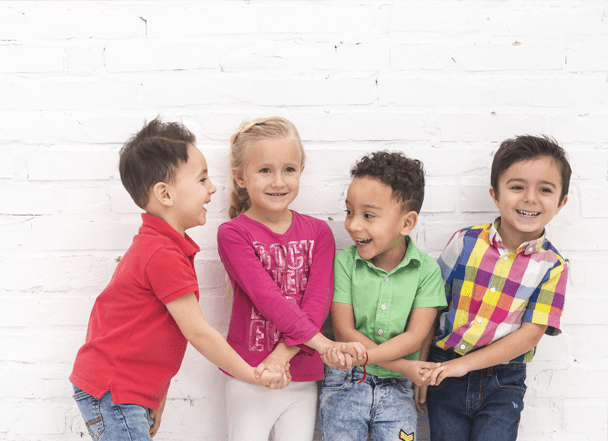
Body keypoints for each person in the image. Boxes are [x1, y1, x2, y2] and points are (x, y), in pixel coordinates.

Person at [70, 118, 283, 441]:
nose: (212, 188)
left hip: (122, 390)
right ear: (165, 194)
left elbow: (154, 333)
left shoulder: (161, 247)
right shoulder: (162, 254)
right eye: (202, 179)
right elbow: (198, 333)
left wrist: (157, 395)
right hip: (114, 390)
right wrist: (252, 375)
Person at [217, 117, 365, 441]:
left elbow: (317, 304)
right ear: (241, 177)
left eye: (289, 169)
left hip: (301, 378)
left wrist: (282, 355)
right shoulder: (233, 234)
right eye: (265, 170)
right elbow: (268, 299)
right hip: (250, 376)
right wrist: (323, 345)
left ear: (301, 170)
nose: (278, 182)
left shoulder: (319, 233)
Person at [420, 135, 571, 441]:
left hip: (503, 383)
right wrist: (421, 367)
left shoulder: (553, 266)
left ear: (561, 202)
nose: (530, 198)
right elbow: (430, 306)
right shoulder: (464, 241)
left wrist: (464, 365)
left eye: (545, 189)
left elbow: (529, 335)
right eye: (517, 187)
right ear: (495, 194)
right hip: (443, 371)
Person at [319, 151, 447, 441]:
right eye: (349, 211)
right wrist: (404, 366)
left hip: (398, 391)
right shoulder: (344, 263)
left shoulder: (426, 271)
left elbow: (415, 336)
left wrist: (369, 359)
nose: (353, 225)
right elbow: (343, 330)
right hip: (346, 384)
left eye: (368, 215)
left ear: (406, 223)